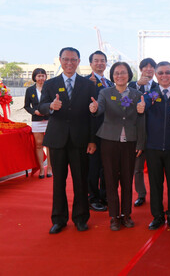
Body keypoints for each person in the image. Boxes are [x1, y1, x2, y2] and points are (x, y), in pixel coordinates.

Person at [39, 47, 97, 234]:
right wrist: (51, 106)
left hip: (80, 140)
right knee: (58, 182)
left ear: (79, 61)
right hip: (57, 140)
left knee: (81, 181)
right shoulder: (50, 84)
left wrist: (92, 140)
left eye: (73, 60)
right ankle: (59, 219)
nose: (69, 63)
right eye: (66, 59)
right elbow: (41, 106)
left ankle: (81, 218)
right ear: (60, 60)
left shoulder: (88, 85)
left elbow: (92, 116)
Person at [89, 62, 145, 231]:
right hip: (109, 141)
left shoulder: (137, 94)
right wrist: (94, 108)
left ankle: (126, 214)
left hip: (130, 142)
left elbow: (141, 120)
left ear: (129, 75)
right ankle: (114, 216)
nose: (120, 75)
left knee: (127, 179)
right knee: (111, 179)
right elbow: (99, 109)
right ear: (112, 76)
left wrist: (141, 142)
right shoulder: (105, 93)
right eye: (116, 73)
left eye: (123, 72)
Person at [140, 61, 170, 230]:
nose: (164, 76)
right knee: (155, 183)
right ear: (156, 75)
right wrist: (141, 106)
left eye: (167, 72)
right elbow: (143, 107)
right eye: (160, 73)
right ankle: (158, 216)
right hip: (153, 147)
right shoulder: (151, 95)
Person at [129, 57, 158, 208]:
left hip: (155, 133)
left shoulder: (159, 87)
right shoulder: (132, 85)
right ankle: (141, 194)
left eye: (151, 67)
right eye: (145, 67)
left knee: (155, 168)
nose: (148, 69)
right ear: (140, 70)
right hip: (137, 133)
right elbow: (125, 104)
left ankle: (156, 194)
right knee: (137, 168)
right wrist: (138, 87)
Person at [87, 50, 111, 212]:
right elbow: (86, 112)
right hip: (94, 132)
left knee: (106, 167)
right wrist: (90, 138)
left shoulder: (110, 82)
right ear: (90, 64)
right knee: (93, 167)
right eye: (96, 61)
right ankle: (93, 197)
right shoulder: (86, 82)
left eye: (102, 60)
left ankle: (105, 195)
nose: (100, 63)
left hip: (109, 132)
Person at [24, 68, 52, 178]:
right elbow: (26, 106)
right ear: (35, 77)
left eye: (43, 75)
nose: (41, 78)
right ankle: (41, 168)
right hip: (36, 120)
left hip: (49, 120)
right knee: (39, 145)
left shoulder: (50, 88)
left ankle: (49, 167)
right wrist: (34, 111)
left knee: (49, 145)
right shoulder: (30, 90)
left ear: (46, 77)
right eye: (38, 76)